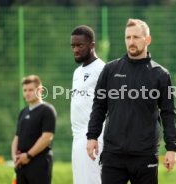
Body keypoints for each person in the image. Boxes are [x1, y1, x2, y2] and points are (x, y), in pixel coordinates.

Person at [87, 18, 176, 184]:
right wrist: (92, 136)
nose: (131, 42)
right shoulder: (110, 69)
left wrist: (172, 148)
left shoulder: (160, 74)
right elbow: (99, 106)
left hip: (145, 155)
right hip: (113, 155)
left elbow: (168, 113)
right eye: (128, 37)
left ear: (147, 39)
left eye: (136, 37)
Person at [70, 25, 105, 184]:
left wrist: (96, 136)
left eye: (80, 45)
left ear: (92, 45)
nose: (75, 50)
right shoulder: (77, 72)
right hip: (77, 137)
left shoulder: (102, 69)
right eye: (73, 46)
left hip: (93, 136)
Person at [11, 75, 57, 184]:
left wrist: (28, 155)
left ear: (40, 90)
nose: (27, 93)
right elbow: (17, 137)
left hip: (39, 163)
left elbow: (47, 137)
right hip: (21, 164)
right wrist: (15, 158)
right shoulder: (23, 112)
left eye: (31, 90)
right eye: (25, 90)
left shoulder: (47, 110)